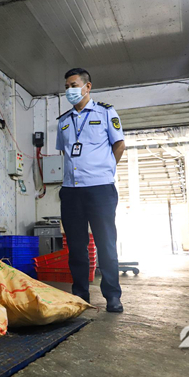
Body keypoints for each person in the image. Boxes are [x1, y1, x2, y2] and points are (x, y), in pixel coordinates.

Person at [56, 68, 126, 313]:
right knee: (76, 247)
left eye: (74, 85)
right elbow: (65, 152)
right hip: (71, 191)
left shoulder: (105, 112)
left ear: (87, 87)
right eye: (67, 87)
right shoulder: (63, 121)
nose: (69, 90)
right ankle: (80, 295)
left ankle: (113, 296)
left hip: (100, 190)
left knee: (106, 244)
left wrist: (104, 171)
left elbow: (119, 145)